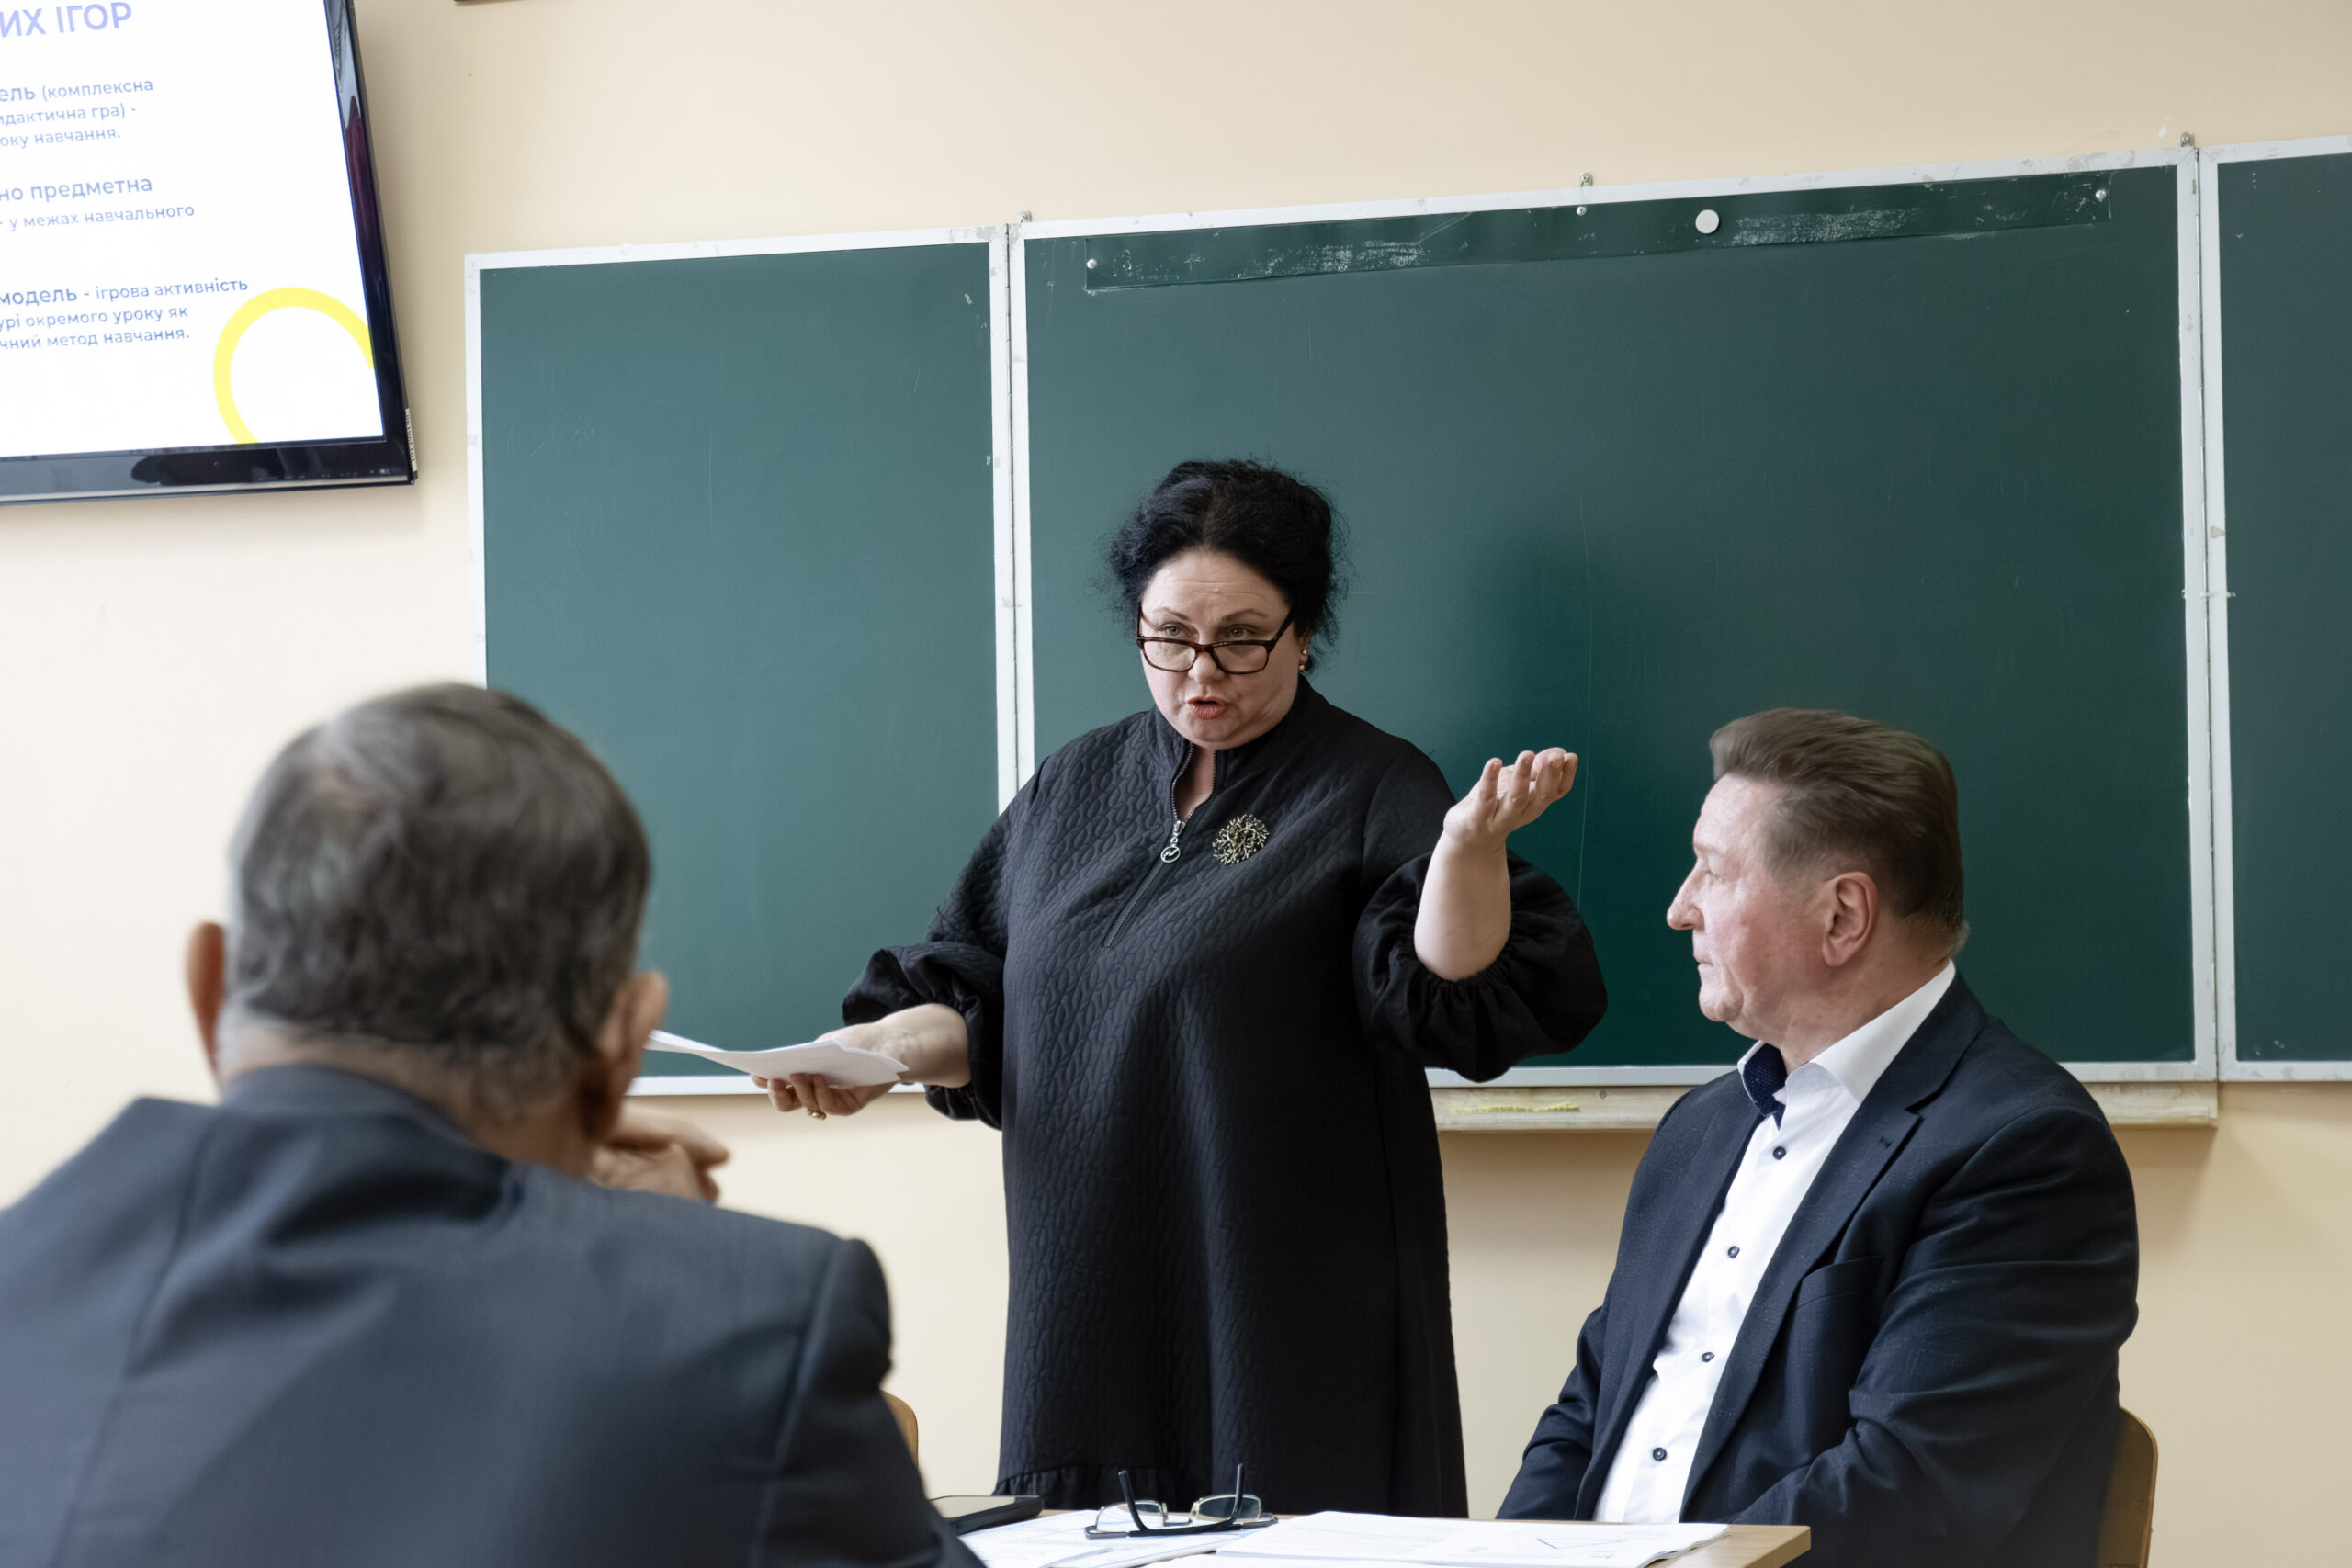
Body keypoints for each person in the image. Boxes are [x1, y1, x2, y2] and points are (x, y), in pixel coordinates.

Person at [758, 459, 1610, 1516]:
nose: (1201, 674)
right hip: (1088, 1277)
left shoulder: (1369, 783)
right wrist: (875, 1053)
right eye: (1168, 637)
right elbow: (983, 993)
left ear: (1304, 631)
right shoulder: (1073, 785)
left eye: (1242, 639)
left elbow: (1448, 982)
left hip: (1285, 1289)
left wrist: (1466, 849)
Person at [0, 685, 976, 1568]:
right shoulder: (738, 1325)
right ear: (620, 1046)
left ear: (211, 989)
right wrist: (666, 1266)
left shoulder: (26, 1278)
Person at [1498, 709, 2138, 1566]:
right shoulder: (1701, 1128)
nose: (1680, 908)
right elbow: (1586, 1415)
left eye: (1714, 872)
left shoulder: (2025, 1152)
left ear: (1842, 916)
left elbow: (1904, 1491)